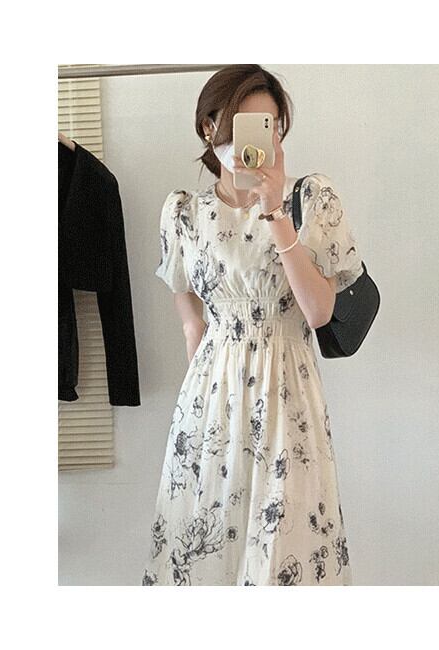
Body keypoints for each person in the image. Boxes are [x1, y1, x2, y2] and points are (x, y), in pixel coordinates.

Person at [142, 64, 364, 586]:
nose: (259, 142)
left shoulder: (312, 200)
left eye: (270, 127)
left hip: (288, 396)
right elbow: (192, 325)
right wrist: (202, 408)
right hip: (210, 401)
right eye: (245, 125)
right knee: (205, 547)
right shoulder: (182, 214)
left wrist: (276, 211)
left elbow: (318, 312)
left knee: (285, 549)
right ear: (210, 128)